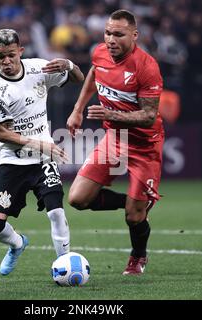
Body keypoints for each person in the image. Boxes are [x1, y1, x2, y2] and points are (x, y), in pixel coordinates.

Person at [66, 10, 164, 275]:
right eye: (108, 33)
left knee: (133, 218)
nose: (110, 39)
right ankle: (135, 201)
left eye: (118, 34)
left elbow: (149, 116)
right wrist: (77, 109)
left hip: (145, 146)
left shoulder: (146, 67)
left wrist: (110, 114)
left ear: (134, 35)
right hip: (115, 139)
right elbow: (94, 74)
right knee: (76, 199)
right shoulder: (99, 53)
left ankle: (138, 256)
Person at [0, 29, 84, 276]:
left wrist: (69, 65)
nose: (6, 62)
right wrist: (41, 145)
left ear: (21, 52)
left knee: (56, 211)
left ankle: (64, 266)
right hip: (13, 161)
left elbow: (78, 78)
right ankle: (17, 244)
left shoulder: (39, 68)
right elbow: (2, 133)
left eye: (11, 55)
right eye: (0, 57)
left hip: (43, 160)